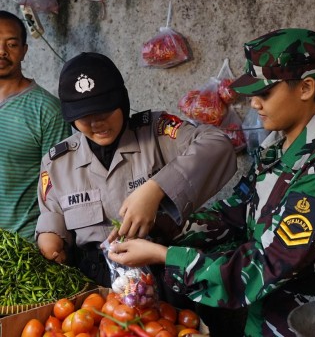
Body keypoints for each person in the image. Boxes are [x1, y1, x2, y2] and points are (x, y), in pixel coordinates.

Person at [107, 28, 315, 337]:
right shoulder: (277, 150)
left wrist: (164, 256)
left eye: (264, 94)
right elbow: (235, 212)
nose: (254, 105)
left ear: (305, 88)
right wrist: (160, 228)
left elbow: (271, 264)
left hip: (305, 322)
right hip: (263, 316)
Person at [35, 52, 237, 288]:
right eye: (84, 116)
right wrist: (50, 237)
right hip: (94, 285)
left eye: (104, 110)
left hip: (163, 276)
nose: (97, 123)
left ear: (121, 101)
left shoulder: (156, 132)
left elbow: (218, 144)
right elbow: (53, 213)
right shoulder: (58, 162)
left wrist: (156, 189)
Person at [0, 10, 71, 242]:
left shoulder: (47, 110)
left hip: (20, 249)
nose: (2, 51)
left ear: (24, 50)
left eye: (11, 44)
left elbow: (58, 185)